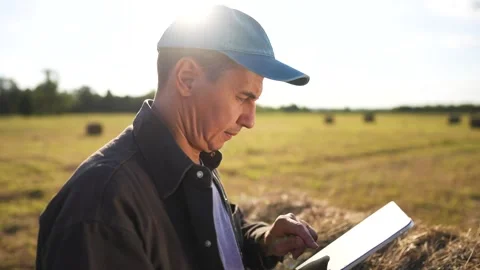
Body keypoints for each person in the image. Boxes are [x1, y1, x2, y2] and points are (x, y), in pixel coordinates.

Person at [35, 5, 320, 270]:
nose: (250, 120)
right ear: (186, 78)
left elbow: (214, 238)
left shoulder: (194, 158)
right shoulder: (101, 205)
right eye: (243, 97)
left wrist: (263, 240)